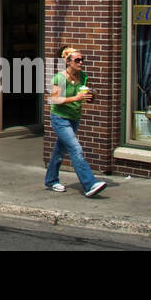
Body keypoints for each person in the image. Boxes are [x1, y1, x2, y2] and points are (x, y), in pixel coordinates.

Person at [45, 47, 106, 197]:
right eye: (77, 60)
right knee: (76, 149)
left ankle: (51, 180)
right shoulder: (59, 78)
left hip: (74, 118)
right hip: (60, 118)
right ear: (68, 61)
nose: (81, 62)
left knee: (59, 151)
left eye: (82, 59)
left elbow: (84, 95)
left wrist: (91, 95)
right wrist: (76, 98)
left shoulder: (83, 76)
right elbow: (53, 99)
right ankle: (89, 184)